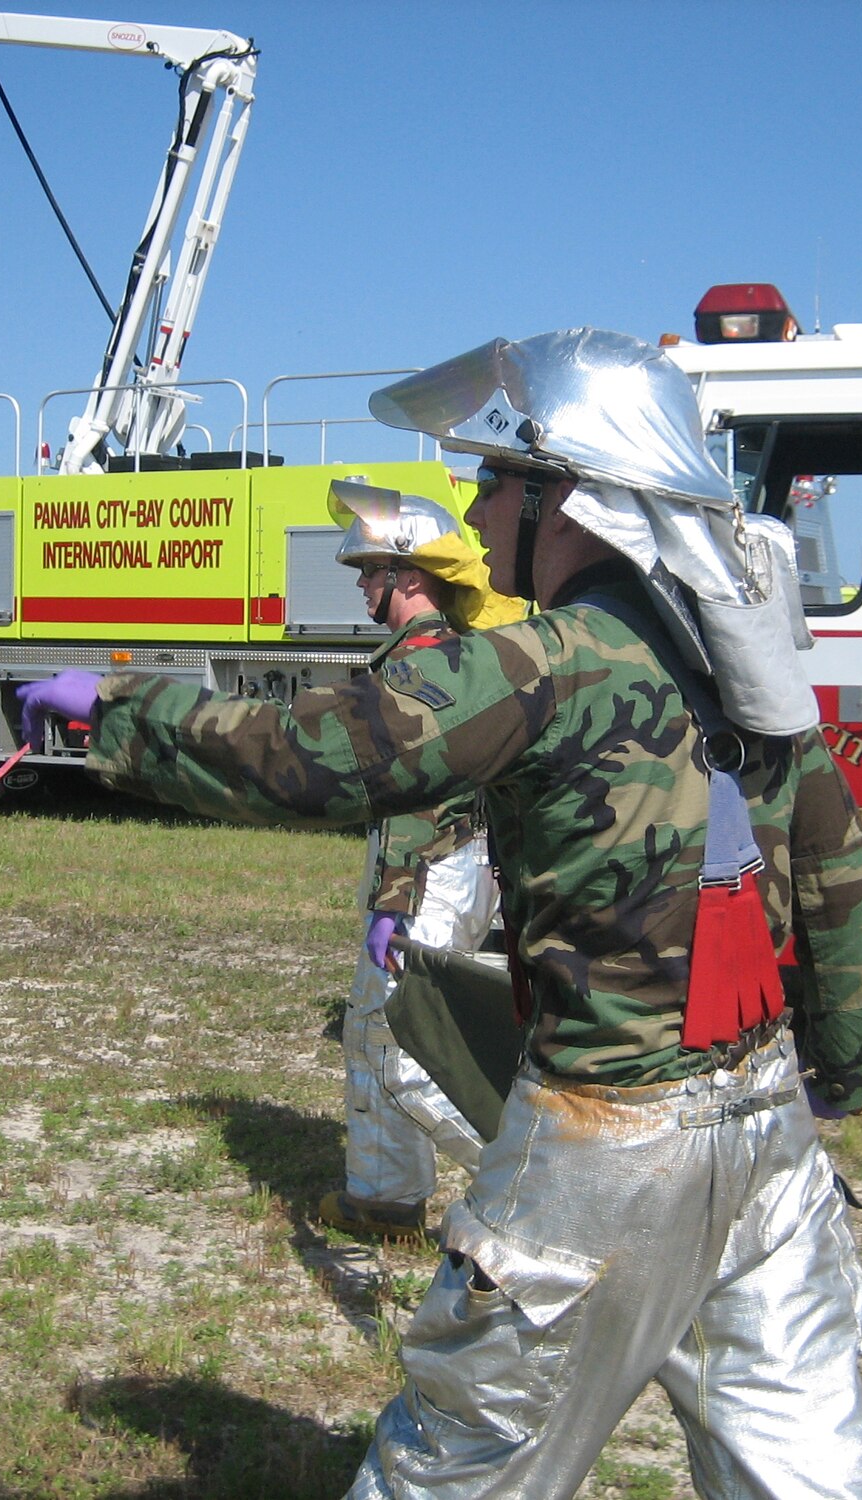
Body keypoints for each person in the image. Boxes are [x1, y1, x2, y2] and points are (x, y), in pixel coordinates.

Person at [21, 328, 862, 1498]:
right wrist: (838, 1063)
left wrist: (116, 712)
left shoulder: (545, 661)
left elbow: (312, 755)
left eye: (490, 478)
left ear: (568, 495)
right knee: (798, 1476)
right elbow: (839, 876)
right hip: (770, 1141)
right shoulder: (749, 667)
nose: (470, 511)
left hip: (605, 1151)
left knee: (458, 1469)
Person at [319, 481, 522, 1240]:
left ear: (409, 578)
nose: (363, 586)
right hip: (449, 870)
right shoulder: (442, 655)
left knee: (409, 1049)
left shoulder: (420, 667)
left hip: (429, 874)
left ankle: (539, 1191)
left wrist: (393, 901)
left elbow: (418, 795)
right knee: (373, 1032)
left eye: (371, 572)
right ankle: (385, 1194)